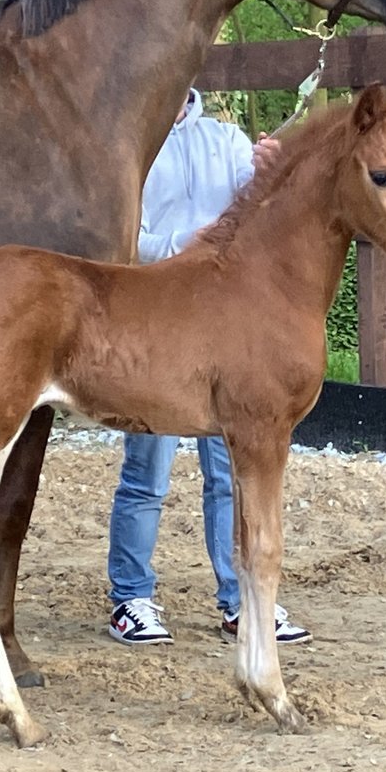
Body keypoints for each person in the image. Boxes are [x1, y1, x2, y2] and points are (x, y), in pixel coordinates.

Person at [106, 88, 312, 648]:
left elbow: (268, 218)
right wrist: (182, 244)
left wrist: (275, 170)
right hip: (157, 322)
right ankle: (130, 596)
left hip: (228, 327)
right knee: (146, 469)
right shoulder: (132, 145)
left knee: (230, 473)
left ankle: (239, 600)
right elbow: (123, 240)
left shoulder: (228, 140)